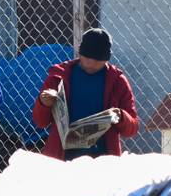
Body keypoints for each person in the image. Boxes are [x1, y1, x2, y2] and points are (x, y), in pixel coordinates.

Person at [31, 28, 139, 160]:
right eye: (87, 57)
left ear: (107, 59)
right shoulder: (59, 76)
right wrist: (44, 103)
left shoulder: (117, 81)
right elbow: (40, 121)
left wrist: (121, 116)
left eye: (98, 60)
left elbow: (132, 129)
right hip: (62, 158)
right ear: (80, 53)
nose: (91, 63)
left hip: (102, 159)